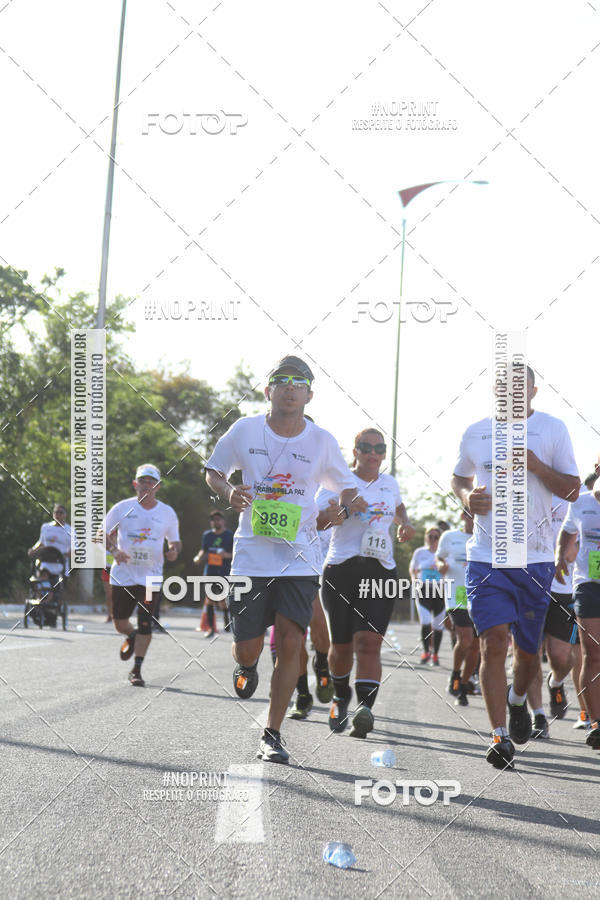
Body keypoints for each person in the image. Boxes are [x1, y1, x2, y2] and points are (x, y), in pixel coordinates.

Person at [205, 355, 367, 764]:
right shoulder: (244, 430)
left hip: (301, 558)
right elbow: (213, 470)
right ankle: (247, 665)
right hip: (251, 556)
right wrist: (230, 493)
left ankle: (272, 733)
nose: (290, 387)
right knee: (247, 646)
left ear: (310, 394)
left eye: (299, 382)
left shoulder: (322, 442)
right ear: (268, 390)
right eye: (282, 380)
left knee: (292, 639)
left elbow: (352, 493)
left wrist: (338, 514)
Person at [451, 366, 579, 770]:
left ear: (534, 391)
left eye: (519, 388)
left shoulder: (552, 430)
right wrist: (466, 497)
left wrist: (539, 467)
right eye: (503, 387)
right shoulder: (475, 432)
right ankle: (498, 736)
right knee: (492, 644)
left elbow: (574, 489)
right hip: (486, 558)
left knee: (526, 656)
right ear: (494, 390)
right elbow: (458, 479)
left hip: (536, 560)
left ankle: (518, 700)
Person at [319, 428, 415, 738]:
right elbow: (317, 520)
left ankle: (365, 709)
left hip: (380, 570)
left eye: (379, 448)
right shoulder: (338, 481)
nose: (373, 453)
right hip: (342, 569)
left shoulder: (389, 483)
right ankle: (339, 695)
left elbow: (398, 507)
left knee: (370, 642)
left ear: (384, 453)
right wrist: (346, 510)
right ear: (355, 451)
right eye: (366, 447)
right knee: (342, 644)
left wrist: (405, 524)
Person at [104, 464, 181, 687]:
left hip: (151, 578)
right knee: (119, 623)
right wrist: (115, 551)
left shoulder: (167, 512)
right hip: (124, 575)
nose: (147, 485)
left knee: (146, 622)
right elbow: (103, 533)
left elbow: (175, 540)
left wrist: (174, 550)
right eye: (143, 481)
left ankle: (136, 669)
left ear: (158, 486)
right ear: (135, 484)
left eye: (151, 482)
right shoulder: (122, 508)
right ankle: (131, 636)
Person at [526, 495, 579, 740]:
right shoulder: (523, 493)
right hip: (529, 585)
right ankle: (538, 716)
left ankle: (556, 682)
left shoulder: (572, 500)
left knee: (561, 657)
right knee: (530, 654)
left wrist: (571, 550)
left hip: (562, 587)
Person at [556, 473, 600, 750]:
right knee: (592, 654)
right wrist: (561, 554)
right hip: (587, 584)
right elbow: (568, 531)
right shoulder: (580, 503)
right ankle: (595, 723)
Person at [288, 487, 336, 719]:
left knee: (321, 634)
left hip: (327, 573)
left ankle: (322, 663)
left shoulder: (339, 488)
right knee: (292, 639)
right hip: (294, 569)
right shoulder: (294, 483)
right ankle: (303, 694)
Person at [436, 511, 478, 706]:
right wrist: (441, 566)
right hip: (456, 595)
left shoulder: (487, 538)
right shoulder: (450, 537)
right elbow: (439, 559)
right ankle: (454, 673)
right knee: (466, 640)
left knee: (475, 647)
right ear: (463, 515)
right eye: (472, 514)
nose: (475, 518)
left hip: (480, 596)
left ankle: (463, 682)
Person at [193, 510, 234, 637]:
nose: (216, 522)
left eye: (218, 519)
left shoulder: (230, 535)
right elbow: (203, 550)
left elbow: (236, 554)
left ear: (223, 521)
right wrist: (198, 557)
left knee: (222, 599)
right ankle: (211, 629)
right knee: (210, 598)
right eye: (213, 520)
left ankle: (227, 621)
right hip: (210, 571)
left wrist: (226, 555)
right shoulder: (207, 535)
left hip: (224, 572)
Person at [409, 527, 444, 665]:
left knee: (438, 626)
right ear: (426, 537)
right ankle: (426, 652)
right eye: (431, 536)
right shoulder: (420, 552)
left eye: (436, 537)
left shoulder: (443, 554)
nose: (433, 540)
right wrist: (414, 579)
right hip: (423, 589)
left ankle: (435, 654)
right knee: (425, 621)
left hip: (440, 590)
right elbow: (413, 568)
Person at [28, 503, 72, 579]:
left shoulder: (70, 530)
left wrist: (66, 555)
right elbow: (41, 543)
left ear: (65, 515)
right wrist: (33, 550)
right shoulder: (46, 527)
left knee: (57, 589)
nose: (58, 514)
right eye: (56, 512)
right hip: (45, 565)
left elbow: (74, 550)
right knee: (41, 586)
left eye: (61, 512)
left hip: (60, 566)